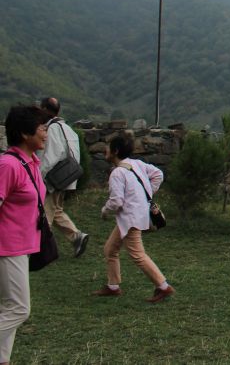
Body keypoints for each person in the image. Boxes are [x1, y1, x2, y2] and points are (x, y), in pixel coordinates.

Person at [92, 135, 174, 302]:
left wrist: (104, 210)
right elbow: (158, 173)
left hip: (131, 219)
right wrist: (147, 193)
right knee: (110, 249)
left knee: (138, 255)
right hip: (134, 217)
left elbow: (116, 201)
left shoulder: (117, 173)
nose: (105, 151)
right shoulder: (137, 164)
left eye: (108, 148)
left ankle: (163, 287)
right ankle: (113, 286)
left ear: (114, 151)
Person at [0, 105, 50, 365]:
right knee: (19, 309)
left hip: (21, 246)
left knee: (10, 308)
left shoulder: (30, 163)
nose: (46, 133)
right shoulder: (8, 165)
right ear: (23, 133)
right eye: (42, 128)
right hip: (7, 247)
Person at [38, 97, 89, 258]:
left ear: (45, 109)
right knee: (56, 210)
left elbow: (50, 157)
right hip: (65, 178)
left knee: (45, 214)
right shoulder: (68, 128)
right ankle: (77, 237)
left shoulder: (52, 129)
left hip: (52, 179)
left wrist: (39, 177)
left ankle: (42, 250)